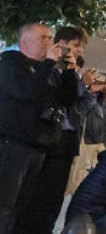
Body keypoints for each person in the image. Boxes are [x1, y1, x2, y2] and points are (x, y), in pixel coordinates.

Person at [0, 23, 80, 234]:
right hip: (14, 144)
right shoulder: (10, 64)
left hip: (40, 145)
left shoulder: (49, 70)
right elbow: (26, 92)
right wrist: (49, 64)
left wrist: (69, 73)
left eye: (50, 37)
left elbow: (67, 100)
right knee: (5, 203)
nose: (50, 42)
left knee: (22, 206)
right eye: (44, 37)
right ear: (24, 42)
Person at [17, 26, 97, 234]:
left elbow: (74, 103)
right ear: (61, 43)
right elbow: (51, 98)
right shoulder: (47, 68)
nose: (79, 51)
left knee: (54, 200)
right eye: (76, 45)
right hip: (48, 140)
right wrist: (77, 79)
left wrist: (76, 78)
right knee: (39, 198)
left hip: (67, 140)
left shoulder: (68, 70)